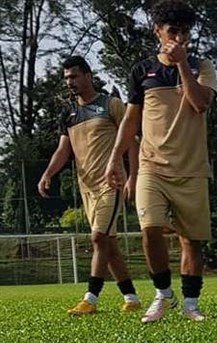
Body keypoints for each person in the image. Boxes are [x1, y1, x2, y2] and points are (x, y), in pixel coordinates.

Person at [106, 0, 217, 323]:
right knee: (150, 229)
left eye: (185, 32)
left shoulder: (202, 66)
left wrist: (182, 65)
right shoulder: (142, 71)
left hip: (192, 168)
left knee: (191, 241)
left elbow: (200, 104)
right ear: (157, 30)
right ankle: (163, 294)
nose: (179, 38)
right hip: (151, 166)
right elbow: (131, 121)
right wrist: (115, 159)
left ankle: (191, 304)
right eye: (173, 31)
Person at [38, 56, 141, 316]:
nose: (69, 82)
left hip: (111, 183)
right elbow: (64, 150)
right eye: (66, 78)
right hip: (86, 188)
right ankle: (131, 297)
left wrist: (134, 175)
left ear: (88, 76)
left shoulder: (111, 104)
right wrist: (48, 173)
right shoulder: (68, 114)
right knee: (109, 244)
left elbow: (132, 140)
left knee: (98, 238)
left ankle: (90, 299)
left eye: (74, 76)